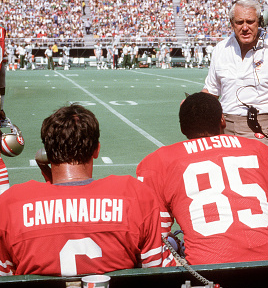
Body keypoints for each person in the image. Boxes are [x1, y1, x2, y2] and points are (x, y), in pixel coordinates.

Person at [0, 104, 170, 276]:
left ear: (47, 153)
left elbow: (5, 277)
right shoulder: (135, 195)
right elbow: (154, 270)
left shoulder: (10, 204)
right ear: (96, 150)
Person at [136, 92, 268, 264]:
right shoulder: (260, 150)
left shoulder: (157, 161)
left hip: (205, 270)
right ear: (222, 120)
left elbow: (153, 240)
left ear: (182, 128)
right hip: (266, 264)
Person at [203, 0, 268, 149]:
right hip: (223, 126)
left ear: (260, 22)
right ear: (231, 24)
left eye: (250, 22)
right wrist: (195, 103)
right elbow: (212, 91)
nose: (244, 27)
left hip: (259, 126)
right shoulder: (220, 49)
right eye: (239, 22)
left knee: (256, 172)